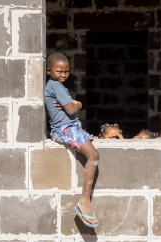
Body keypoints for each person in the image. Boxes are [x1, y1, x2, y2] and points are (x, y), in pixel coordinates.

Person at [44, 53, 99, 228]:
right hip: (66, 129)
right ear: (48, 71)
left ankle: (85, 202)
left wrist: (76, 104)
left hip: (69, 127)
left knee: (93, 153)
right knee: (93, 155)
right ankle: (85, 202)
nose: (63, 75)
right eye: (59, 71)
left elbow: (73, 107)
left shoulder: (55, 86)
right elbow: (71, 110)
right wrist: (76, 104)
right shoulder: (56, 86)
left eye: (66, 71)